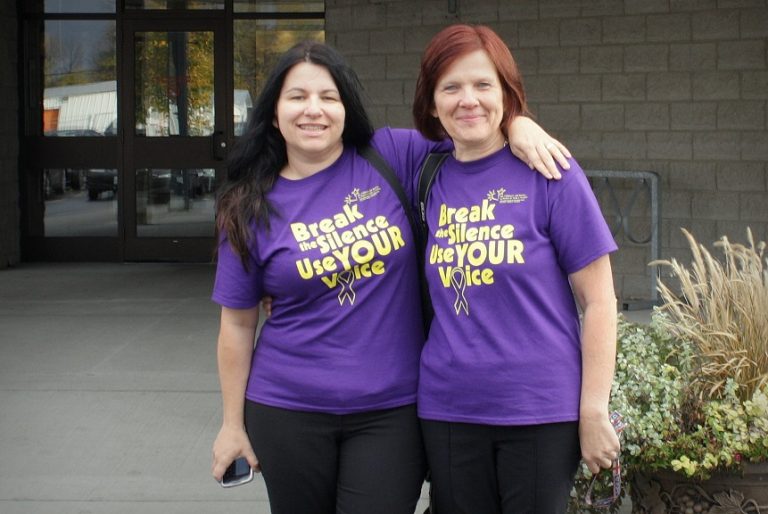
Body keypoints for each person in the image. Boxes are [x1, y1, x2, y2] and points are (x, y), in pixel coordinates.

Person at [210, 40, 567, 514]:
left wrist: (519, 123)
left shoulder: (391, 155)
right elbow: (236, 325)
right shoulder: (247, 207)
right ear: (274, 114)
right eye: (297, 97)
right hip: (287, 408)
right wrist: (231, 425)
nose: (313, 110)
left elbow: (471, 129)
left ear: (346, 109)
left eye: (328, 97)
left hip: (392, 411)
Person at [412, 24, 620, 514]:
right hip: (448, 409)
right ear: (432, 101)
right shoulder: (425, 171)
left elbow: (600, 301)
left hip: (538, 410)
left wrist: (592, 409)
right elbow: (333, 147)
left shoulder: (551, 173)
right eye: (451, 87)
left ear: (507, 92)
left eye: (484, 85)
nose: (469, 100)